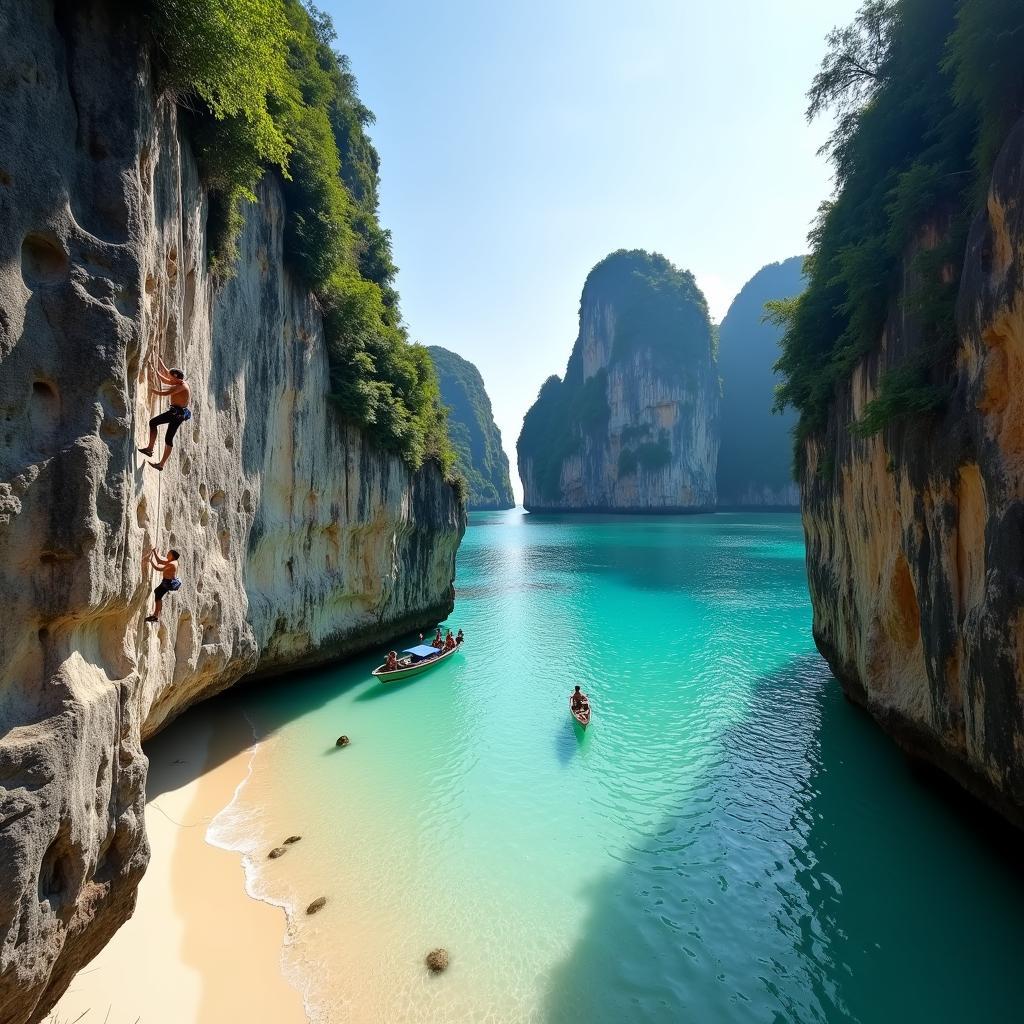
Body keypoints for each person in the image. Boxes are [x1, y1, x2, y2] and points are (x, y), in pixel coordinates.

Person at [139, 358, 192, 471]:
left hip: (176, 414)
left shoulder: (181, 386)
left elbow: (164, 393)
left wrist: (152, 390)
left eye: (172, 377)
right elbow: (168, 377)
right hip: (177, 413)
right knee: (167, 438)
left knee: (154, 424)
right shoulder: (179, 381)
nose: (170, 379)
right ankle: (153, 454)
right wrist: (159, 363)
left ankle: (153, 454)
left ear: (177, 378)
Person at [145, 548, 181, 623]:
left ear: (172, 556)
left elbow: (158, 568)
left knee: (158, 594)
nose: (167, 554)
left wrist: (150, 561)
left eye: (169, 554)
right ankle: (156, 615)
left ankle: (156, 616)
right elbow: (159, 561)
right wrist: (154, 552)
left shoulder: (172, 564)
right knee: (157, 593)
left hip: (168, 583)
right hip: (167, 582)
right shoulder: (173, 561)